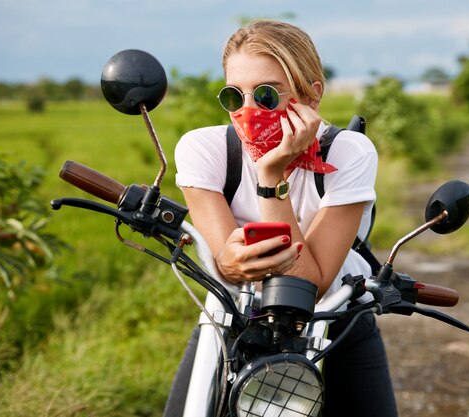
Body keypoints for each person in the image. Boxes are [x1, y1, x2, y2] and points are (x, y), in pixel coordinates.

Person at [165, 19, 397, 417]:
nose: (250, 110)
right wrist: (228, 262)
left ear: (313, 95)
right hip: (231, 319)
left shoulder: (350, 153)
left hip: (335, 322)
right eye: (235, 96)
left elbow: (309, 283)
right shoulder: (204, 151)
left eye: (267, 95)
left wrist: (271, 176)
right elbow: (228, 264)